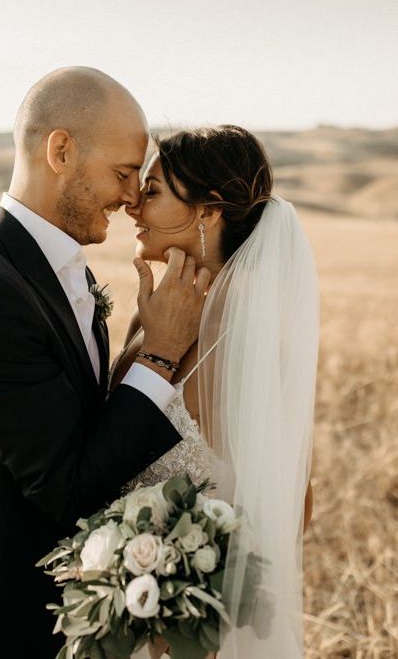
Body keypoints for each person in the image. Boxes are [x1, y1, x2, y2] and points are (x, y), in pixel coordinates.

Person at [0, 66, 209, 658]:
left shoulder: (52, 269)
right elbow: (65, 486)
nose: (133, 196)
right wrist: (158, 356)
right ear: (61, 151)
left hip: (77, 611)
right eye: (124, 173)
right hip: (5, 620)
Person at [111, 125, 319, 658]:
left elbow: (293, 499)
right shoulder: (152, 312)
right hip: (127, 601)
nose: (133, 204)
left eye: (153, 192)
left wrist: (196, 595)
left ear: (208, 212)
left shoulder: (239, 328)